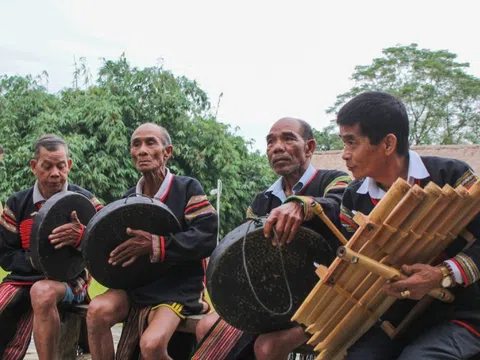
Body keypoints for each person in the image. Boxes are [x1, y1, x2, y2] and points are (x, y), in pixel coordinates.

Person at [337, 91, 480, 359]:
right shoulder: (353, 199)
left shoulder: (452, 177)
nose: (345, 155)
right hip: (395, 320)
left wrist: (441, 274)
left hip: (463, 314)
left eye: (351, 142)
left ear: (388, 144)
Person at [193, 117, 351, 360]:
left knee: (267, 348)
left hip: (324, 302)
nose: (277, 147)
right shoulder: (262, 200)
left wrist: (302, 206)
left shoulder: (334, 180)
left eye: (288, 138)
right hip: (271, 302)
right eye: (270, 142)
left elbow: (341, 205)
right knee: (206, 327)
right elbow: (245, 254)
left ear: (309, 147)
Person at [86, 123, 218, 360]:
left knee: (152, 344)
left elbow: (206, 237)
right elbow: (114, 248)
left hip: (177, 288)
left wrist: (157, 244)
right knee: (96, 311)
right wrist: (85, 235)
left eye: (150, 142)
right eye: (136, 144)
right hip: (136, 287)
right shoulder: (129, 198)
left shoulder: (187, 188)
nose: (142, 150)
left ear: (167, 152)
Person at [0, 134, 103, 359]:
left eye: (61, 166)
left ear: (69, 165)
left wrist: (80, 238)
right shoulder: (17, 204)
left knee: (42, 291)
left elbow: (105, 247)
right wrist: (37, 260)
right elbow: (5, 254)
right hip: (22, 279)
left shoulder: (86, 202)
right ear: (34, 167)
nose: (55, 173)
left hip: (71, 281)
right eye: (47, 166)